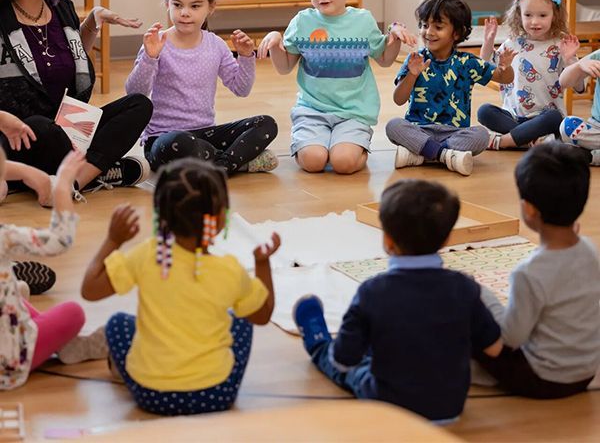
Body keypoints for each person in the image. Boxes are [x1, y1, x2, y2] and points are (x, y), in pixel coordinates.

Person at [81, 158, 280, 415]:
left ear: (161, 214)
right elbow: (262, 315)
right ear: (219, 219)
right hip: (217, 394)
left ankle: (128, 368)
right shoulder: (229, 270)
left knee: (118, 323)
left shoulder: (148, 254)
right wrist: (262, 264)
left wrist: (113, 240)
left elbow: (90, 289)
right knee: (241, 317)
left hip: (152, 395)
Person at [293, 179, 502, 422]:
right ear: (446, 241)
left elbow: (342, 361)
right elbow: (494, 347)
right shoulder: (465, 287)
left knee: (347, 365)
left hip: (389, 407)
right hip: (450, 407)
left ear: (388, 241)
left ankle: (317, 345)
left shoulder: (372, 292)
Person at [0, 0, 152, 196]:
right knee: (41, 127)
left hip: (71, 128)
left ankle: (71, 182)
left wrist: (92, 23)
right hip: (20, 135)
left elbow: (72, 59)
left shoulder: (62, 8)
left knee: (139, 105)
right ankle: (99, 170)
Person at [257, 0, 416, 175]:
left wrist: (394, 37)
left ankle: (355, 145)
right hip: (312, 110)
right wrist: (274, 41)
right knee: (313, 162)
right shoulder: (302, 21)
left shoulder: (363, 20)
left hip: (354, 112)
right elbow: (284, 67)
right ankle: (313, 142)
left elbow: (384, 59)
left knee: (343, 163)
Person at [125, 0, 278, 175]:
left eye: (195, 6)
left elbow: (241, 89)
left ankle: (219, 165)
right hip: (164, 140)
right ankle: (235, 161)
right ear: (167, 4)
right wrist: (150, 58)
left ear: (210, 7)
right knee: (178, 142)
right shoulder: (157, 43)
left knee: (266, 124)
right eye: (177, 5)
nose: (185, 13)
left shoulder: (215, 45)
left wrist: (245, 56)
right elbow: (135, 93)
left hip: (205, 135)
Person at [475, 142, 600, 398]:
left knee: (474, 334)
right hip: (587, 369)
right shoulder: (590, 250)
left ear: (529, 209)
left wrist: (483, 297)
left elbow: (510, 338)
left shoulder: (529, 274)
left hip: (545, 379)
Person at [0, 148, 108, 391]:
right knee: (73, 312)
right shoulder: (3, 237)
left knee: (13, 293)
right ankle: (74, 347)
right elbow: (59, 240)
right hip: (10, 366)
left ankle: (20, 299)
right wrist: (62, 188)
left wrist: (25, 171)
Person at [385, 0, 514, 176]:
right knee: (393, 125)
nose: (428, 32)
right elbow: (399, 99)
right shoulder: (416, 59)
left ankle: (422, 154)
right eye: (424, 25)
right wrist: (412, 75)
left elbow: (504, 78)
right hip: (419, 129)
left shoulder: (467, 62)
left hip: (454, 134)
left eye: (438, 27)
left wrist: (505, 66)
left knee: (482, 136)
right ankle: (445, 156)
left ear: (457, 33)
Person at [478, 0, 581, 150]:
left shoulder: (560, 44)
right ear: (519, 14)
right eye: (528, 15)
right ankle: (529, 139)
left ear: (554, 15)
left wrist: (570, 60)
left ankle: (503, 141)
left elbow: (578, 87)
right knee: (484, 111)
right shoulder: (513, 43)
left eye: (542, 15)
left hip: (545, 119)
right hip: (513, 116)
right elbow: (484, 67)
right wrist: (488, 42)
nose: (534, 22)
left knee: (555, 117)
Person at [558, 48, 600, 166]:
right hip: (596, 128)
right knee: (568, 125)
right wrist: (579, 65)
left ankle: (590, 156)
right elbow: (563, 82)